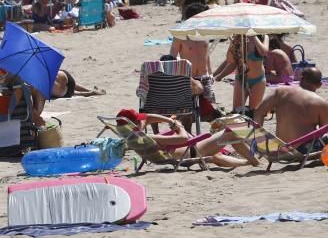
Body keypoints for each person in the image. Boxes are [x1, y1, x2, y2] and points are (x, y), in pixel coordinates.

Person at [114, 110, 257, 168]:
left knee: (216, 156)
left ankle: (248, 162)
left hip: (186, 153)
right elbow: (182, 138)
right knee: (231, 133)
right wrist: (179, 126)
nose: (144, 120)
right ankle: (254, 160)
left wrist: (170, 122)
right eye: (140, 121)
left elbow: (148, 117)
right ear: (136, 124)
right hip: (191, 151)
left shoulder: (135, 136)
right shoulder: (149, 136)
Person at [249, 85, 328, 153]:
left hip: (280, 148)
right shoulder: (319, 102)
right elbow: (324, 130)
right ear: (319, 85)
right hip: (303, 150)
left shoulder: (280, 92)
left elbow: (258, 112)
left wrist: (259, 141)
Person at [214, 34, 269, 111]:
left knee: (255, 111)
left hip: (258, 80)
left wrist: (253, 36)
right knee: (237, 111)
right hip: (241, 79)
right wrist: (233, 44)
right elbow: (231, 61)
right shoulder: (239, 39)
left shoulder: (264, 37)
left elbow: (263, 52)